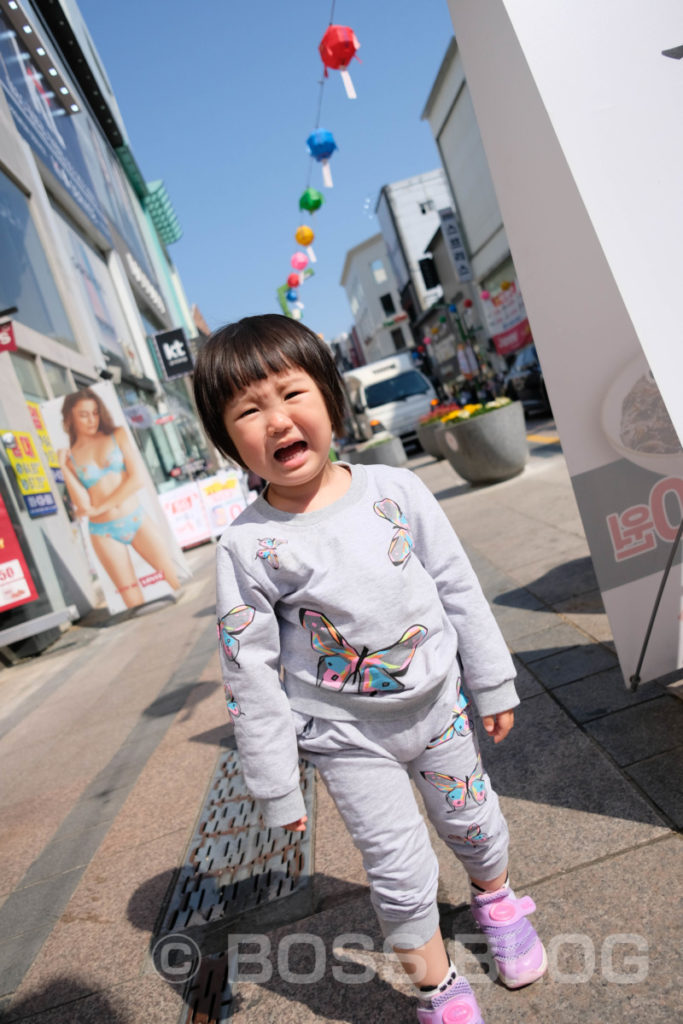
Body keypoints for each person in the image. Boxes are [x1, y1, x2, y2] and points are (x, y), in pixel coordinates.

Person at [193, 315, 546, 1024]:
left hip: (437, 707)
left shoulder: (396, 492)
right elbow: (250, 673)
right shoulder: (247, 546)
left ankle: (497, 899)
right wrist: (273, 785)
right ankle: (438, 989)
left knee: (474, 823)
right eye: (248, 410)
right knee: (398, 870)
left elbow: (455, 586)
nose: (277, 420)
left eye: (291, 394)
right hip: (347, 737)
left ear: (329, 397)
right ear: (226, 438)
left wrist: (490, 679)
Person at [58, 388, 181, 608]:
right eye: (83, 415)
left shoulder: (117, 435)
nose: (91, 419)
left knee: (174, 579)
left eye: (95, 412)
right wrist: (63, 468)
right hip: (103, 533)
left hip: (135, 518)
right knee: (133, 602)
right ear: (70, 418)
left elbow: (136, 479)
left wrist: (100, 507)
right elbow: (84, 505)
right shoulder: (71, 457)